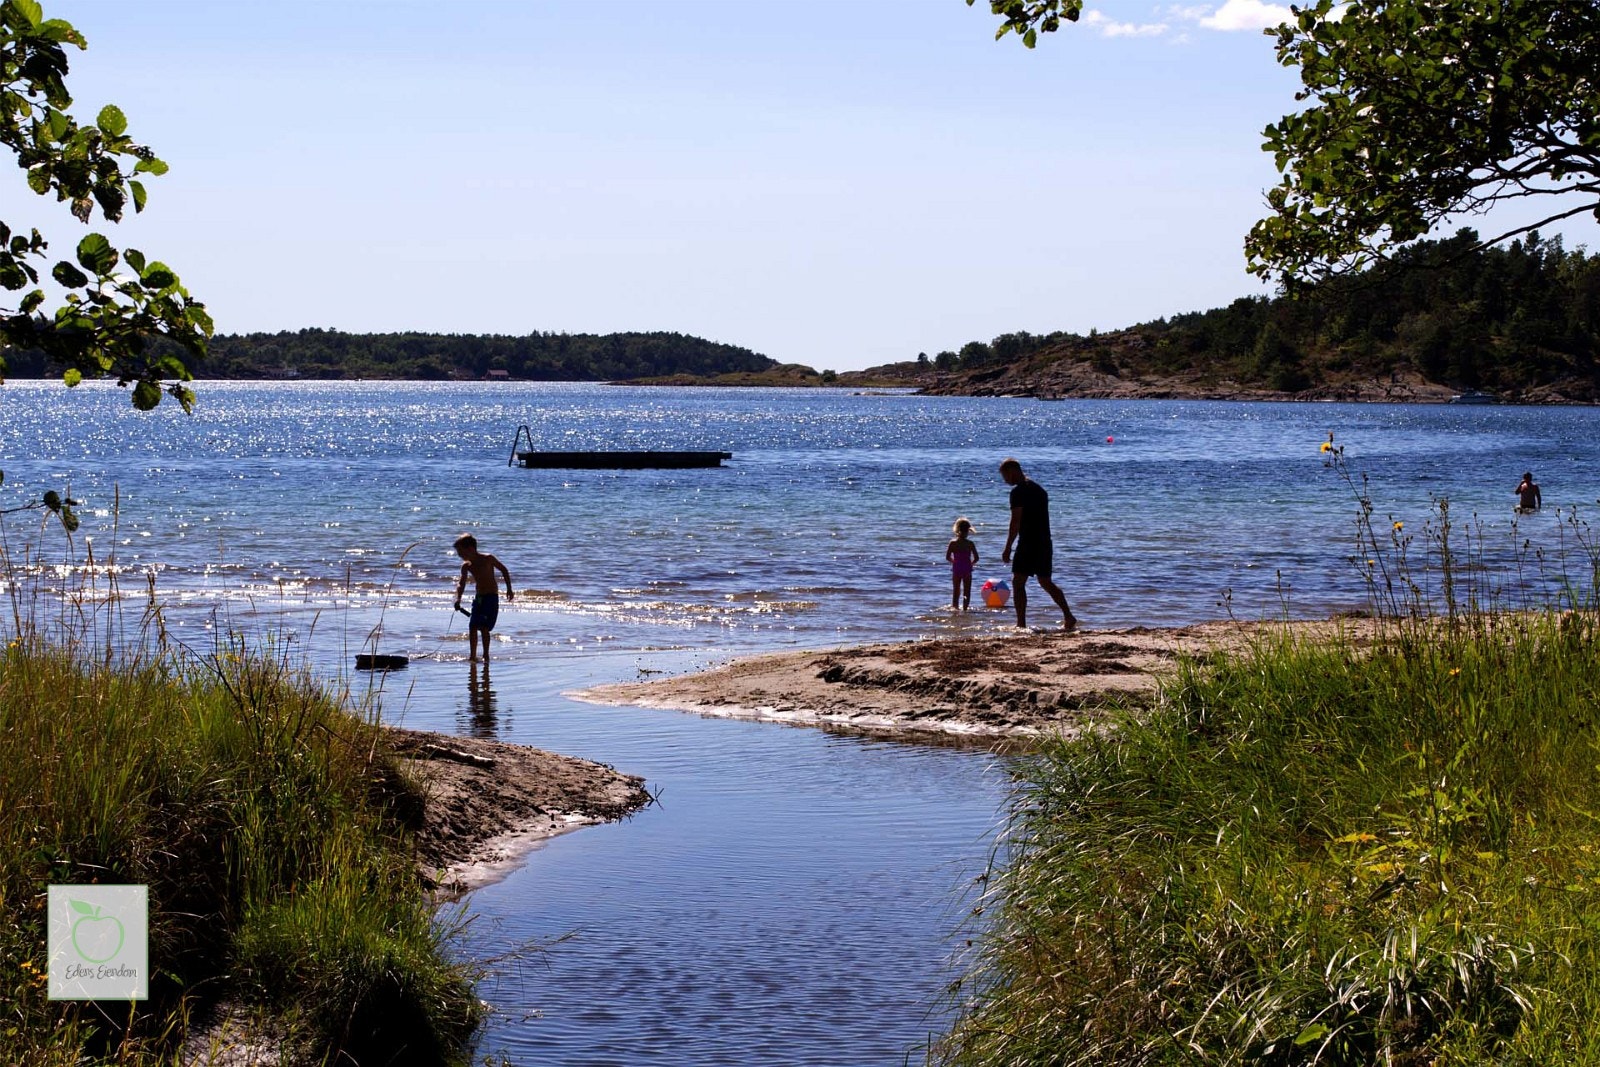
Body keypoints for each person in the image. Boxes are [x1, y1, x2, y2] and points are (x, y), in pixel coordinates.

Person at [998, 458, 1077, 631]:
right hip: (1044, 542)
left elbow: (1015, 522)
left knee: (1018, 582)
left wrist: (1007, 547)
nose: (1005, 480)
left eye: (1005, 476)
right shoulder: (1039, 489)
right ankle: (1068, 616)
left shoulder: (1017, 492)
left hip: (1028, 542)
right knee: (1046, 582)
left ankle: (1021, 624)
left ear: (1012, 471)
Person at [453, 533, 514, 664]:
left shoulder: (488, 558)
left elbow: (504, 570)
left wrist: (509, 589)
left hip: (491, 598)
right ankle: (472, 656)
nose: (459, 556)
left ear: (470, 548)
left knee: (485, 627)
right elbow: (461, 583)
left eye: (460, 552)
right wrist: (458, 599)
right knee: (473, 626)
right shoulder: (466, 566)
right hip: (479, 598)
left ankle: (486, 655)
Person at [946, 517, 980, 610]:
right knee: (967, 591)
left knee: (956, 590)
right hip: (967, 569)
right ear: (968, 530)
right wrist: (971, 564)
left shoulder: (952, 543)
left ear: (957, 529)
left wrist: (954, 562)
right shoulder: (970, 543)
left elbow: (947, 557)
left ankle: (955, 608)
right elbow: (977, 558)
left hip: (957, 568)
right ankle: (965, 608)